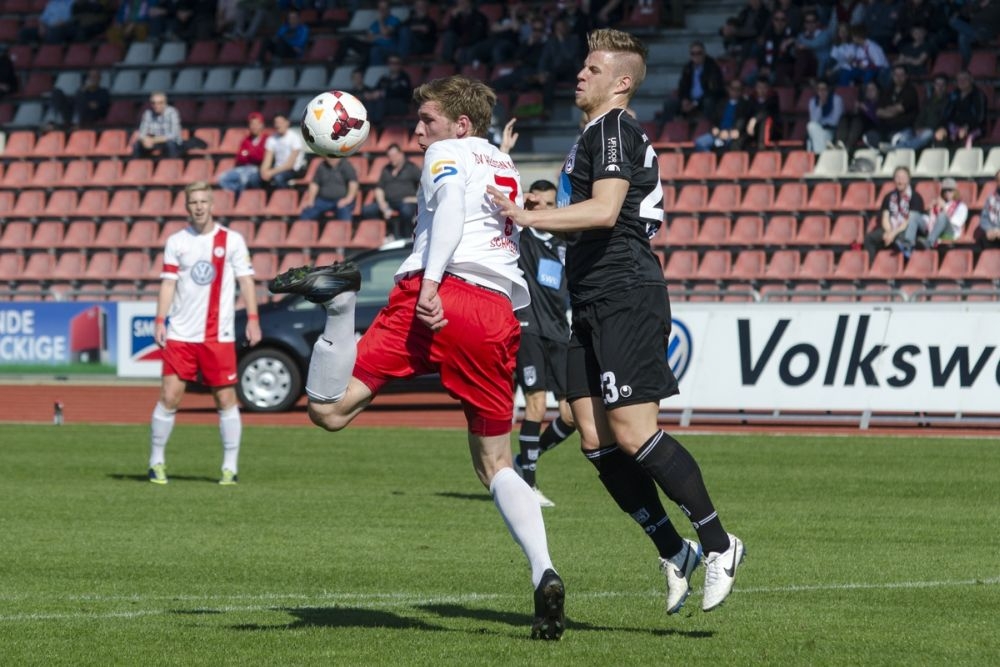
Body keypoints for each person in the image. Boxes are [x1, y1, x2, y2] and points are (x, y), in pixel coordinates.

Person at [267, 75, 566, 640]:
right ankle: (543, 571)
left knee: (328, 410)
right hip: (495, 312)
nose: (418, 131)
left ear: (460, 124)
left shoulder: (445, 152)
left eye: (427, 120)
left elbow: (450, 204)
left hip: (436, 294)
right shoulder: (502, 161)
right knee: (496, 464)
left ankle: (341, 305)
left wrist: (430, 282)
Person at [489, 28, 745, 616]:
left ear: (622, 82)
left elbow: (605, 211)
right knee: (594, 437)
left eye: (593, 69)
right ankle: (674, 551)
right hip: (591, 296)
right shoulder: (593, 134)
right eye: (582, 66)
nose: (580, 74)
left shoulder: (612, 130)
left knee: (632, 433)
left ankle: (717, 542)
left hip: (625, 290)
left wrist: (528, 216)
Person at [148, 181, 261, 486]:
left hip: (218, 335)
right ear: (187, 207)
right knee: (169, 396)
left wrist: (253, 319)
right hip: (181, 334)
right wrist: (160, 320)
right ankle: (156, 462)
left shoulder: (232, 240)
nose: (198, 207)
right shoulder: (176, 241)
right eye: (193, 202)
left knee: (225, 399)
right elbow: (168, 284)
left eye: (203, 202)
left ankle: (229, 468)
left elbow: (246, 281)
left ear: (212, 205)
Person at [510, 178, 578, 508]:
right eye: (544, 204)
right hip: (529, 329)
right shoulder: (522, 237)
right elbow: (508, 215)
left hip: (559, 331)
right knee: (535, 405)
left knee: (571, 415)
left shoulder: (564, 241)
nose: (549, 211)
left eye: (554, 206)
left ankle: (525, 459)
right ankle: (528, 484)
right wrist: (523, 204)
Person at [359, 143, 421, 240]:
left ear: (401, 154)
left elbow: (423, 186)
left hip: (406, 202)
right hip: (388, 202)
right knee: (366, 210)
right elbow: (379, 188)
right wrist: (382, 204)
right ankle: (386, 232)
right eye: (390, 156)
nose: (392, 158)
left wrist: (414, 199)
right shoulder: (386, 169)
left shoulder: (412, 168)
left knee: (406, 211)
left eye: (394, 155)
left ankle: (405, 237)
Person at [863, 165, 925, 261]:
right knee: (870, 238)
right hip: (891, 228)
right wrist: (888, 232)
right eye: (897, 178)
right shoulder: (889, 196)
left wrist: (893, 234)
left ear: (908, 179)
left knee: (901, 239)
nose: (900, 181)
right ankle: (871, 266)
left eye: (903, 178)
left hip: (906, 230)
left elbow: (909, 221)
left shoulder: (915, 197)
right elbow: (885, 217)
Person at [660, 40, 725, 123]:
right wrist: (684, 100)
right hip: (690, 99)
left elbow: (713, 91)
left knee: (709, 102)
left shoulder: (712, 67)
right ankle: (667, 128)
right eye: (693, 53)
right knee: (669, 103)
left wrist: (695, 103)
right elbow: (682, 87)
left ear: (704, 53)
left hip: (704, 99)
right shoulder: (688, 68)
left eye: (699, 53)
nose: (696, 56)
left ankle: (706, 126)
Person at [899, 177, 968, 253]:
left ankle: (929, 242)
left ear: (955, 192)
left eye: (950, 190)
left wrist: (944, 208)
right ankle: (908, 243)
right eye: (945, 190)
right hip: (933, 229)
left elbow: (956, 223)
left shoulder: (961, 206)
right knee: (914, 215)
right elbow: (929, 220)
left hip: (950, 233)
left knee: (942, 216)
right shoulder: (938, 203)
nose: (947, 193)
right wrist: (929, 211)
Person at [865, 65, 919, 152]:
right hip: (885, 128)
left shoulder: (911, 91)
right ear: (892, 76)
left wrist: (888, 110)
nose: (898, 78)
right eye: (896, 75)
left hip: (903, 128)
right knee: (870, 136)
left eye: (901, 75)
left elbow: (899, 109)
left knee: (897, 138)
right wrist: (892, 111)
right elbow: (878, 112)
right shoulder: (888, 91)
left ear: (906, 76)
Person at [888, 74, 948, 152]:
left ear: (946, 86)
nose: (940, 87)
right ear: (934, 85)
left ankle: (898, 148)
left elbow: (945, 119)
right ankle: (897, 146)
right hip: (921, 129)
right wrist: (918, 127)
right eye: (937, 84)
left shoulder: (949, 101)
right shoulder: (928, 101)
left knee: (928, 133)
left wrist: (938, 129)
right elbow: (920, 116)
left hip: (933, 131)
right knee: (906, 132)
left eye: (942, 85)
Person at [335, 0, 401, 67]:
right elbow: (368, 38)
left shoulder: (394, 20)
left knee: (372, 51)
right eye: (380, 9)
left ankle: (362, 69)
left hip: (385, 49)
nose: (382, 11)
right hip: (371, 46)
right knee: (347, 39)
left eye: (384, 8)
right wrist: (380, 35)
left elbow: (385, 33)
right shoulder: (375, 23)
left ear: (389, 9)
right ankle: (336, 64)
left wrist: (381, 22)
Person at [217, 112, 269, 195]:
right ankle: (238, 192)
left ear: (262, 125)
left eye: (256, 124)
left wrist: (249, 153)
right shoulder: (246, 140)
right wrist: (251, 153)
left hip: (257, 169)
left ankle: (242, 196)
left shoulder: (267, 139)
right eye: (251, 124)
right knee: (222, 178)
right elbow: (240, 157)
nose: (254, 127)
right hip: (244, 167)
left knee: (244, 180)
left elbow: (261, 157)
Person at [693, 78, 750, 152]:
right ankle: (711, 158)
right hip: (718, 133)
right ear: (728, 89)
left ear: (741, 91)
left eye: (738, 89)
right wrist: (714, 128)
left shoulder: (745, 105)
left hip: (731, 136)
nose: (735, 91)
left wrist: (729, 133)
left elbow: (742, 122)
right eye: (733, 88)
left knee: (729, 145)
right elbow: (715, 119)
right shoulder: (721, 103)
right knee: (699, 143)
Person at [299, 154, 359, 223]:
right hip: (323, 200)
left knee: (344, 213)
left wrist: (348, 199)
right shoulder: (322, 166)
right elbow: (314, 184)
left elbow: (353, 183)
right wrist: (311, 200)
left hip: (341, 200)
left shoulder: (346, 166)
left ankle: (345, 229)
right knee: (307, 213)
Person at [941, 71, 987, 150]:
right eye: (959, 79)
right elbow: (946, 114)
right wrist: (942, 127)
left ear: (971, 80)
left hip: (974, 127)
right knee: (940, 134)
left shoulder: (979, 95)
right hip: (955, 126)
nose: (961, 81)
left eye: (965, 79)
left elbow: (980, 118)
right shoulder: (954, 94)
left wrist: (967, 127)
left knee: (965, 137)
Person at [260, 113, 307, 189]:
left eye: (280, 122)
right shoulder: (271, 139)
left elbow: (290, 165)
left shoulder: (294, 138)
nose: (278, 125)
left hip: (293, 170)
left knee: (278, 178)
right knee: (256, 178)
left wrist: (271, 172)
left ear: (287, 123)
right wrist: (263, 172)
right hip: (277, 170)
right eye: (276, 123)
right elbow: (267, 160)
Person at [131, 92, 184, 159]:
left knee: (170, 144)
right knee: (137, 145)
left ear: (165, 103)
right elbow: (142, 133)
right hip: (153, 141)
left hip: (171, 143)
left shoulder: (172, 112)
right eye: (154, 103)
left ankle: (172, 163)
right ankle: (139, 164)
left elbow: (173, 135)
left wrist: (154, 140)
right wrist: (145, 139)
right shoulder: (148, 113)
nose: (156, 105)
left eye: (160, 103)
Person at [805, 80, 843, 154]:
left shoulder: (836, 99)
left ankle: (818, 155)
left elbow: (835, 121)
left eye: (824, 89)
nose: (822, 92)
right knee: (811, 126)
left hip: (831, 131)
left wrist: (822, 123)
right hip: (818, 130)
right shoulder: (813, 101)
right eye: (819, 90)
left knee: (817, 134)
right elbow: (814, 120)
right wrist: (820, 106)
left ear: (828, 90)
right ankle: (819, 154)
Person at [974, 169, 1000, 251]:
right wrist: (990, 230)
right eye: (998, 180)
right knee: (983, 240)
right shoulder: (991, 198)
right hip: (994, 233)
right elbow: (984, 218)